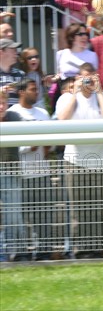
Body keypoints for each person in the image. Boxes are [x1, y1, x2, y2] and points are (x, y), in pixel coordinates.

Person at [55, 62, 103, 258]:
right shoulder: (66, 98)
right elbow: (62, 119)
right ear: (78, 79)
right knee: (78, 209)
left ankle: (97, 248)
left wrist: (99, 92)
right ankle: (80, 250)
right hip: (75, 160)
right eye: (84, 77)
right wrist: (75, 93)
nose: (88, 81)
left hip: (102, 161)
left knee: (98, 208)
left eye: (91, 77)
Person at [8, 78, 53, 259]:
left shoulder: (42, 113)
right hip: (20, 176)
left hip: (42, 173)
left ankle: (43, 253)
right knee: (21, 218)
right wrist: (29, 146)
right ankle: (21, 254)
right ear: (21, 92)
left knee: (43, 217)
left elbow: (53, 138)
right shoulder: (12, 113)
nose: (37, 92)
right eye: (33, 89)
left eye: (37, 89)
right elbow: (9, 146)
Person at [0, 90, 27, 262]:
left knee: (13, 214)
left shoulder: (14, 117)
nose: (1, 106)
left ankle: (13, 253)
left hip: (11, 173)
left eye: (3, 102)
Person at [0, 38, 25, 107]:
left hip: (16, 116)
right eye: (13, 50)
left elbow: (26, 99)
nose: (16, 53)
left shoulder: (21, 74)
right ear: (1, 52)